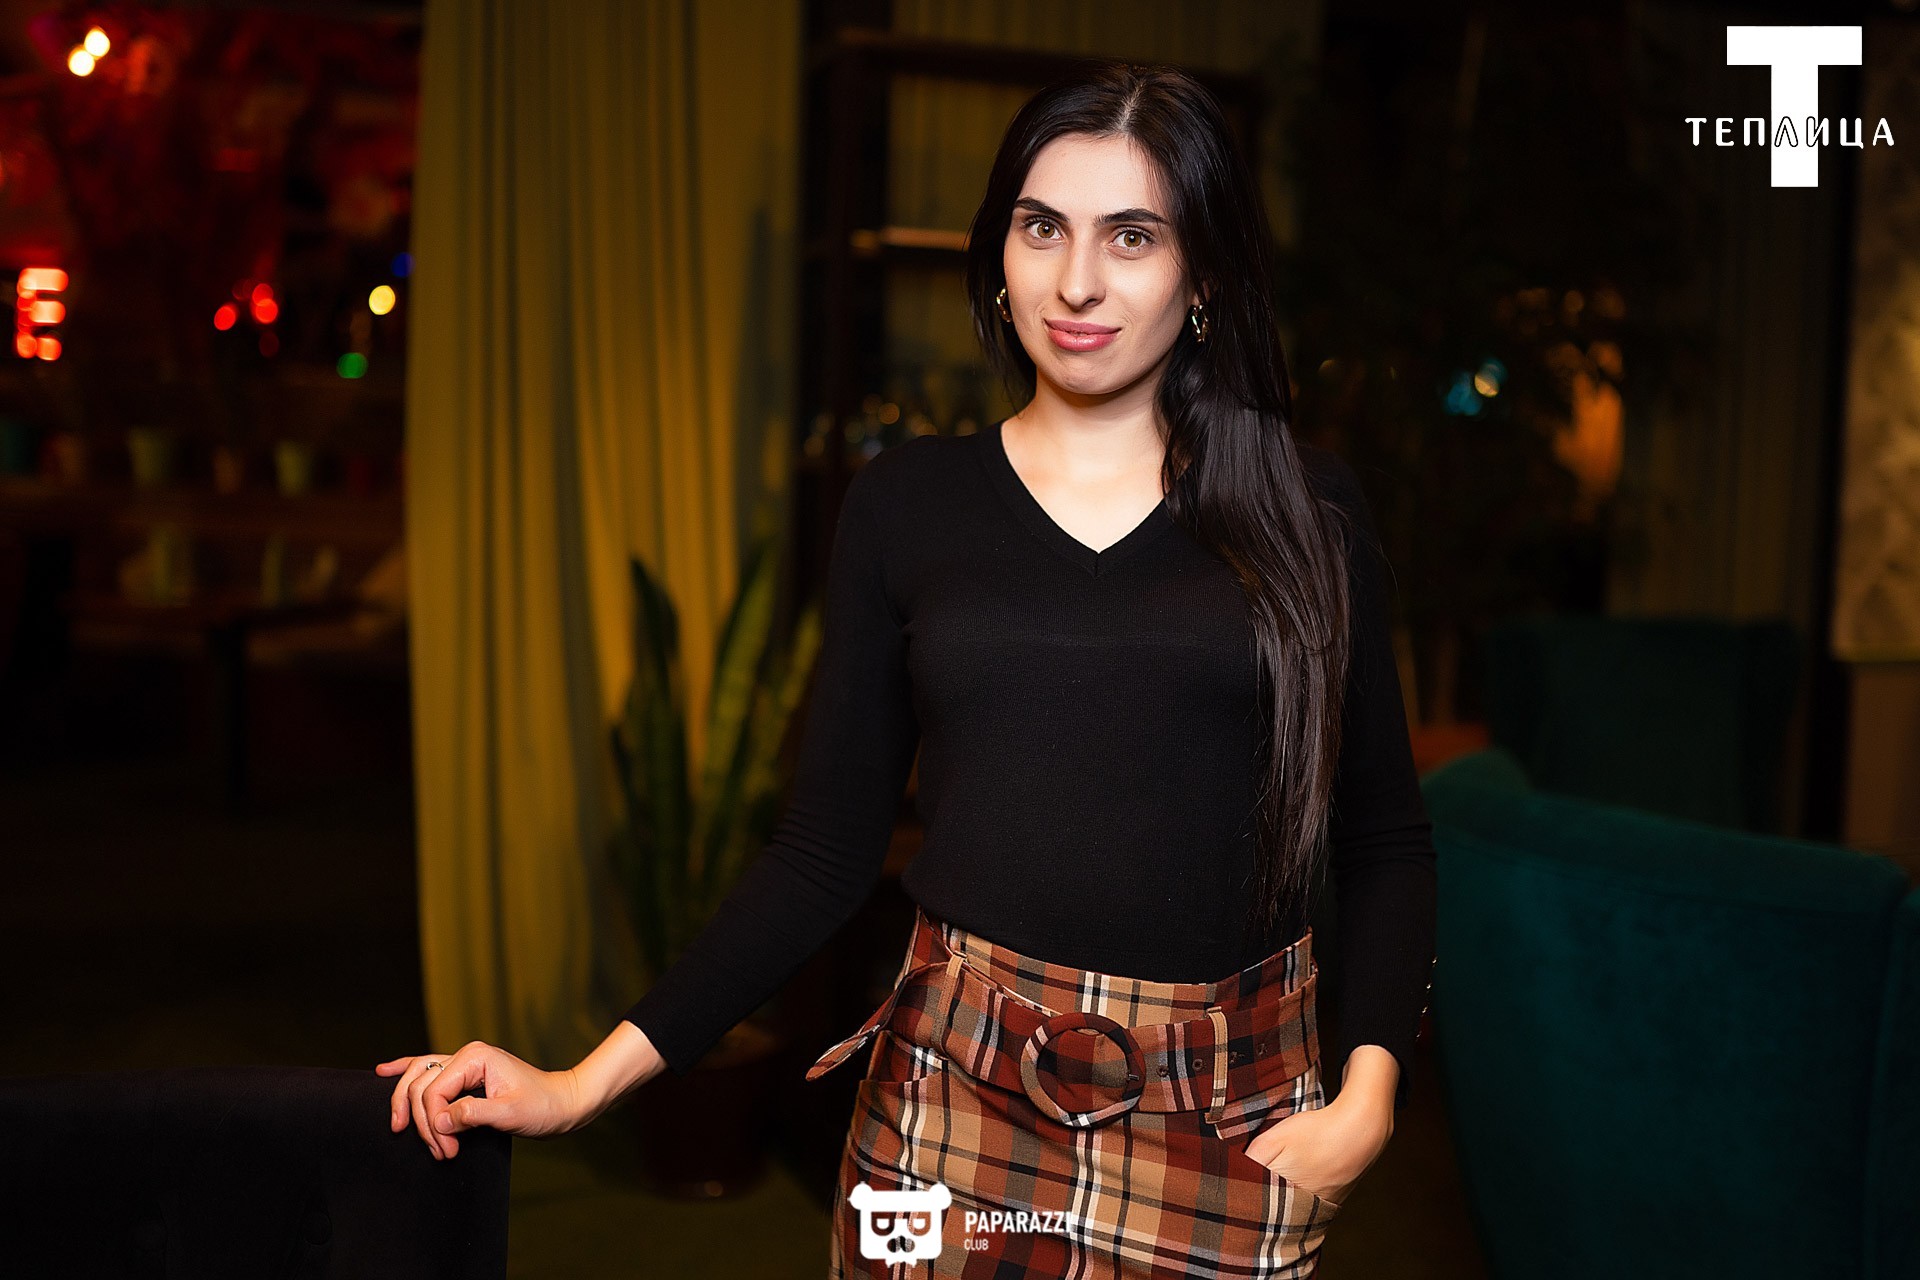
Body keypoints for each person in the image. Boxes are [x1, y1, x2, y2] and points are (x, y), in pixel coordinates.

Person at [378, 59, 1436, 1278]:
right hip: (954, 1100)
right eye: (1042, 227)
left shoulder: (1308, 510)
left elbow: (1384, 839)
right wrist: (582, 1082)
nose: (1076, 281)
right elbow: (822, 852)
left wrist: (1368, 1098)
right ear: (1000, 251)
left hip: (1229, 1115)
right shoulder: (907, 505)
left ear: (1203, 274)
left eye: (1132, 236)